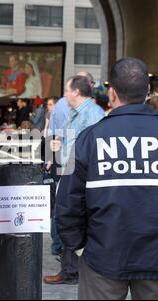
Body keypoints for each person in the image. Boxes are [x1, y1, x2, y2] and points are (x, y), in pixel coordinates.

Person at [55, 58, 158, 300]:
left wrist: (80, 247)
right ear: (147, 93)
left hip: (102, 256)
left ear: (112, 93)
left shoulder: (89, 140)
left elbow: (67, 202)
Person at [44, 75, 105, 285]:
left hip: (80, 178)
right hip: (70, 173)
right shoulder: (75, 112)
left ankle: (73, 271)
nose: (65, 95)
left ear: (76, 92)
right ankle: (70, 269)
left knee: (72, 219)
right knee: (69, 219)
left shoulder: (93, 114)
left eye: (67, 91)